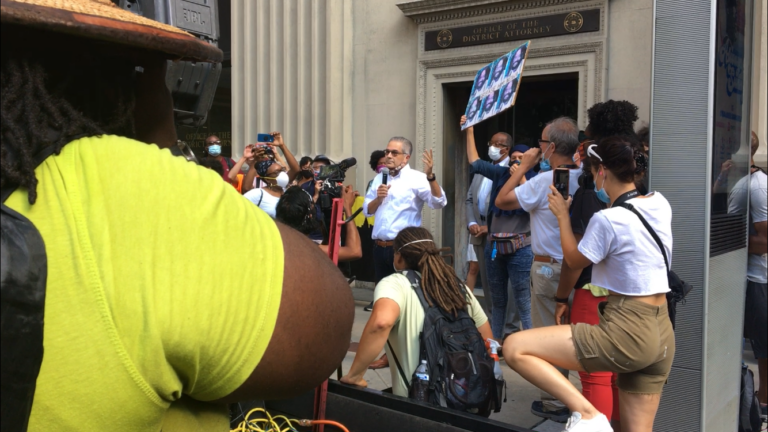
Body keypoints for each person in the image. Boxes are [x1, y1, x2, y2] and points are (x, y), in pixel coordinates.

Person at [0, 2, 354, 431]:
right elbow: (322, 334)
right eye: (156, 72)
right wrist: (162, 153)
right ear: (135, 80)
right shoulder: (125, 182)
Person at [503, 135, 674, 432]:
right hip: (661, 332)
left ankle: (587, 412)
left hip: (626, 328)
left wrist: (561, 216)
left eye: (594, 171)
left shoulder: (608, 219)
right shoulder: (660, 204)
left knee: (515, 347)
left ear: (603, 172)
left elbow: (573, 259)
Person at [552, 100, 641, 428]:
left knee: (596, 377)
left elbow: (574, 260)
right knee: (619, 377)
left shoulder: (593, 191)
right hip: (630, 297)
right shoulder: (646, 192)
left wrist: (561, 297)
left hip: (594, 293)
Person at [495, 117, 583, 422]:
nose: (538, 147)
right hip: (581, 271)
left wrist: (522, 166)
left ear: (552, 147)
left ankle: (556, 401)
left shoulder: (544, 181)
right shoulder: (588, 177)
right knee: (580, 334)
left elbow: (502, 200)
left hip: (549, 270)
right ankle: (582, 395)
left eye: (542, 143)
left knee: (550, 337)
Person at [340, 227, 492, 397]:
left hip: (421, 400)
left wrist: (355, 375)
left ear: (398, 256)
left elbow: (381, 323)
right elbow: (487, 342)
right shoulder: (457, 287)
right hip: (466, 395)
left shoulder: (395, 283)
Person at [461, 115, 535, 340]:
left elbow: (530, 202)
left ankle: (528, 340)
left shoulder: (535, 179)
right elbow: (474, 161)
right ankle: (495, 340)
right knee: (497, 296)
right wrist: (470, 130)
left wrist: (521, 177)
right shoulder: (501, 173)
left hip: (520, 247)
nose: (515, 163)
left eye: (521, 159)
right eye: (513, 159)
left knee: (521, 297)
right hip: (494, 246)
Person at [362, 137, 448, 312]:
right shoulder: (380, 178)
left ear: (406, 157)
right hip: (379, 247)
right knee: (383, 298)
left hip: (403, 248)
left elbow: (439, 202)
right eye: (387, 152)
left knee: (405, 298)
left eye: (394, 152)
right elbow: (367, 210)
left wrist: (431, 177)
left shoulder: (417, 178)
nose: (388, 156)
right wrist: (378, 199)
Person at [729, 131, 768, 415]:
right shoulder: (741, 180)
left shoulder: (757, 186)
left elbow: (766, 241)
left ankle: (764, 400)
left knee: (761, 343)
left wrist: (726, 240)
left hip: (759, 278)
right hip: (745, 276)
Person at [276, 185, 362, 261]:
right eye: (313, 206)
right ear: (309, 216)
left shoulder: (281, 242)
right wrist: (347, 207)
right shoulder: (305, 248)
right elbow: (354, 251)